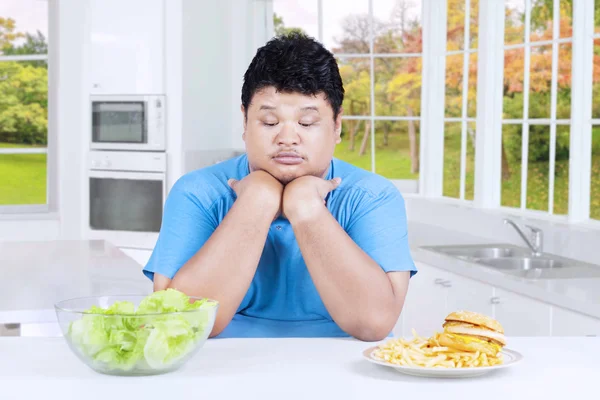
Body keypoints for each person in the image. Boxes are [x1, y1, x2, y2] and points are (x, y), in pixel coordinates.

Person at [143, 32, 417, 341]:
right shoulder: (197, 192)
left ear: (337, 126)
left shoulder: (372, 196)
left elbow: (374, 323)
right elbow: (176, 323)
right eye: (270, 122)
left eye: (307, 123)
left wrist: (306, 207)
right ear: (245, 122)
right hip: (221, 372)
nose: (287, 138)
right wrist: (257, 199)